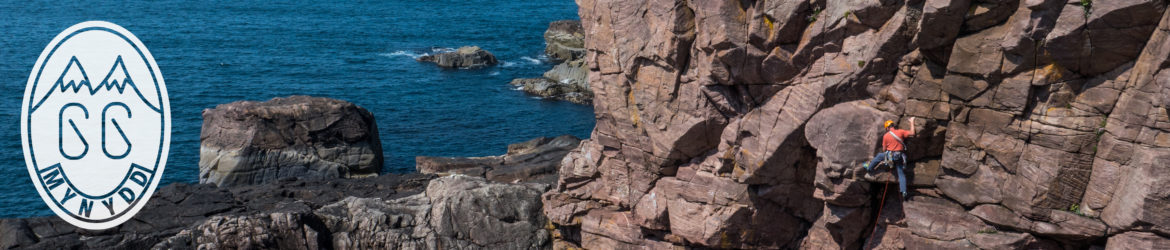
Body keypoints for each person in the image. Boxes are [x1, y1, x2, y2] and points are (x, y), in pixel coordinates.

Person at [862, 117, 915, 199]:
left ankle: (869, 168)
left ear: (887, 128)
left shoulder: (886, 136)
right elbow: (912, 133)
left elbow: (884, 149)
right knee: (900, 173)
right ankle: (903, 190)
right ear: (893, 126)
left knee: (879, 156)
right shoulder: (901, 132)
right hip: (899, 156)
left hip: (890, 156)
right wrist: (912, 121)